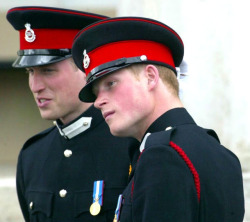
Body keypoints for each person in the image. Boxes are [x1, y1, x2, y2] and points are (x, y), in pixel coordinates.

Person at [71, 16, 245, 221]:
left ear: (150, 77)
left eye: (110, 83)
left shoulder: (162, 156)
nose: (98, 102)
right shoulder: (221, 154)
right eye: (95, 91)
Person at [6, 7, 138, 222]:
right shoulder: (33, 156)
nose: (35, 86)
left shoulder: (130, 145)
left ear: (86, 69)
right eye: (30, 72)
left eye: (48, 70)